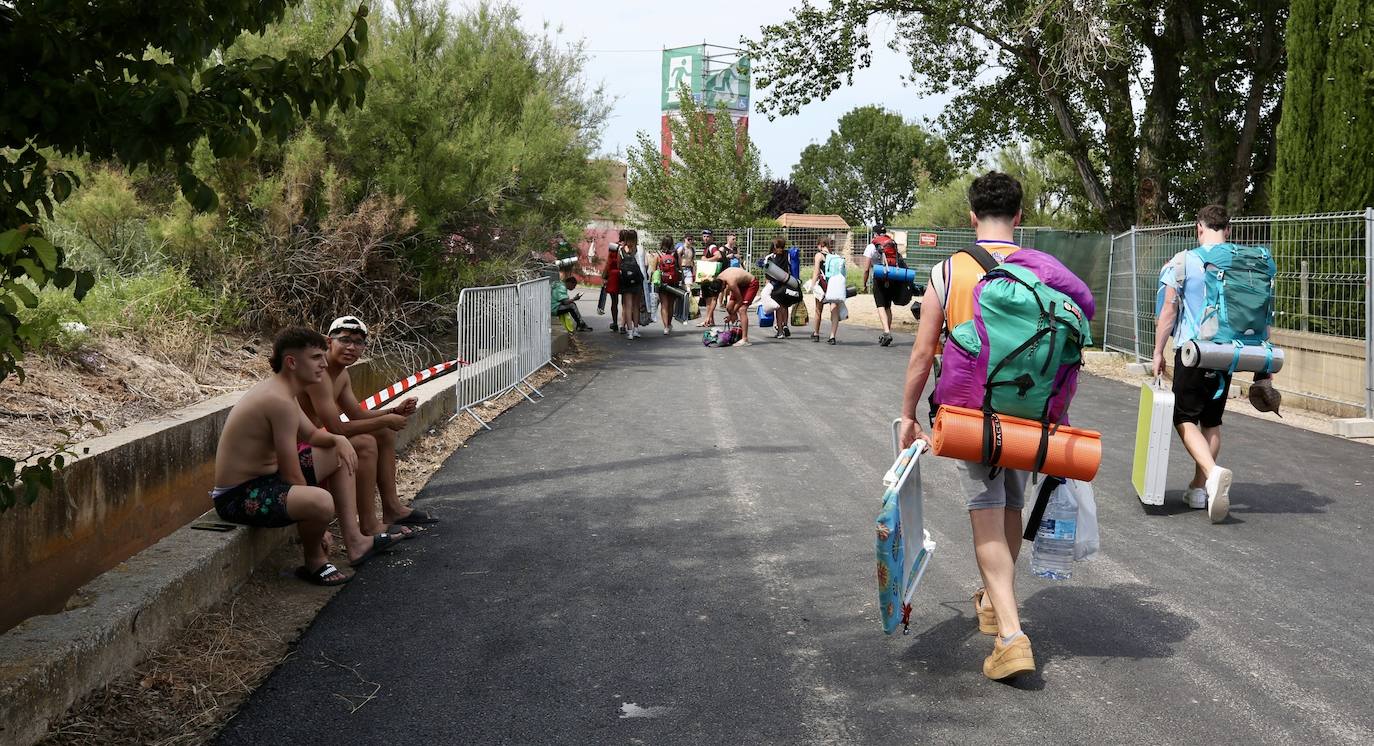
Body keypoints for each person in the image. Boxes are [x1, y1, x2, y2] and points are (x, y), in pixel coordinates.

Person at [897, 172, 1036, 681]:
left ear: (971, 216)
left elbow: (922, 352)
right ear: (1019, 216)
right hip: (1029, 413)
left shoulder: (949, 272)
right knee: (1011, 508)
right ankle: (991, 603)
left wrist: (910, 414)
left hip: (973, 415)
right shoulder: (1039, 268)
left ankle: (1011, 636)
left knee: (985, 516)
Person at [211, 327, 400, 586]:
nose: (324, 364)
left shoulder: (284, 392)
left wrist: (338, 439)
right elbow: (291, 473)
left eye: (323, 356)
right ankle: (314, 561)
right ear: (291, 362)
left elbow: (311, 435)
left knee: (340, 451)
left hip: (267, 479)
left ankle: (356, 541)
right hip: (239, 495)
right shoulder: (277, 400)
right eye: (315, 358)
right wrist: (318, 523)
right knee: (321, 502)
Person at [299, 317, 440, 553]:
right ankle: (368, 524)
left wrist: (392, 411)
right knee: (365, 442)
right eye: (344, 340)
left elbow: (355, 413)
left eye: (358, 342)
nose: (351, 347)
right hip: (296, 452)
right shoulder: (319, 373)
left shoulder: (341, 374)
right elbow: (337, 429)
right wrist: (386, 419)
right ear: (328, 342)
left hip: (314, 443)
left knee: (382, 432)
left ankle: (391, 507)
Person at [1151, 204, 1255, 523]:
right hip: (1226, 352)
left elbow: (1168, 312)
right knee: (1211, 420)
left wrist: (1158, 351)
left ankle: (1210, 474)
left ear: (1199, 227)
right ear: (1229, 229)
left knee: (1184, 417)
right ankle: (1198, 489)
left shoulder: (1184, 261)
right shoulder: (1241, 263)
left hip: (1192, 351)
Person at [863, 224, 908, 347]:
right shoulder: (891, 243)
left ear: (875, 234)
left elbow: (866, 268)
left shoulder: (872, 246)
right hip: (893, 276)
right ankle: (886, 331)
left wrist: (864, 284)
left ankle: (887, 332)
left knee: (881, 305)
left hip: (879, 278)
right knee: (888, 306)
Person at [717, 266, 757, 347]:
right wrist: (731, 314)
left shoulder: (731, 282)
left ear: (723, 283)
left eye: (723, 288)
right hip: (740, 285)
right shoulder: (719, 278)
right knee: (729, 307)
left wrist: (731, 315)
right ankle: (737, 331)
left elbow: (740, 301)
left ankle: (745, 339)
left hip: (751, 284)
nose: (724, 289)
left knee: (742, 309)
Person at [617, 229, 645, 339]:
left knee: (628, 306)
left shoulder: (621, 250)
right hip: (637, 281)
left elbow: (619, 265)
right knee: (635, 306)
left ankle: (629, 332)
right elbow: (645, 265)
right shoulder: (639, 250)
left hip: (626, 281)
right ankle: (635, 330)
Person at [763, 238, 793, 339]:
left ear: (774, 246)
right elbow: (791, 268)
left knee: (778, 308)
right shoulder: (788, 254)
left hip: (775, 285)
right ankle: (785, 325)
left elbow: (767, 274)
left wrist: (767, 286)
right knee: (785, 305)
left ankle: (780, 331)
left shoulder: (770, 257)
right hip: (787, 283)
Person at [652, 236, 683, 334]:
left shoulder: (658, 254)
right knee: (670, 305)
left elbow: (653, 270)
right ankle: (669, 324)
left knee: (664, 305)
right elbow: (680, 268)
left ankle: (665, 327)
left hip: (662, 282)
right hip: (673, 282)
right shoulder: (676, 254)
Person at [698, 234, 727, 326]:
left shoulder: (712, 247)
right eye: (704, 236)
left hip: (714, 277)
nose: (706, 238)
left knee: (713, 298)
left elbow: (718, 256)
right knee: (708, 298)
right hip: (708, 276)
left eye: (708, 236)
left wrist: (706, 260)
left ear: (712, 238)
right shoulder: (707, 248)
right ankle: (710, 320)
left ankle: (707, 319)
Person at [598, 241, 621, 331]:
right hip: (625, 275)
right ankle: (625, 324)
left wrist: (604, 277)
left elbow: (608, 264)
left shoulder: (614, 247)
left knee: (614, 302)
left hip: (613, 277)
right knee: (627, 302)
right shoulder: (628, 247)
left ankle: (615, 323)